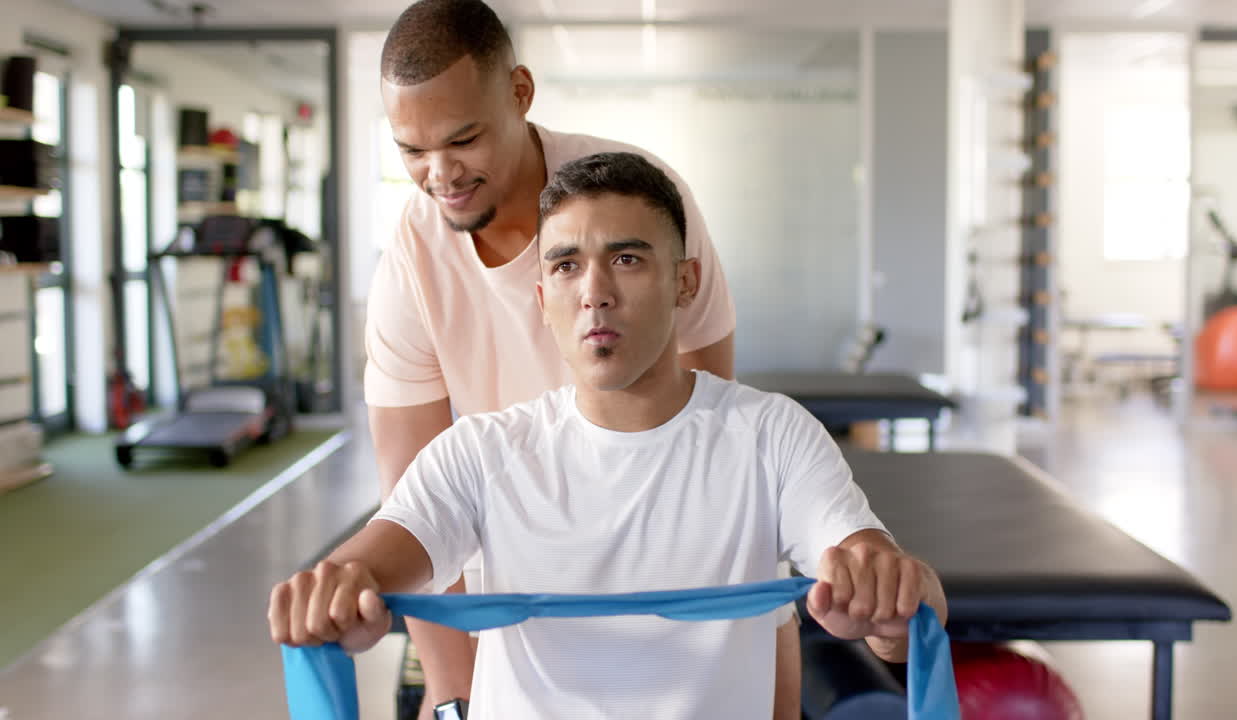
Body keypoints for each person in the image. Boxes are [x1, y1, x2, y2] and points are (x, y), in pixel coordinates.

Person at [271, 152, 948, 720]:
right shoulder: (482, 453)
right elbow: (377, 558)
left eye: (626, 259)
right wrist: (336, 590)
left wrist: (892, 603)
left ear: (686, 282)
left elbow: (881, 574)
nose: (593, 292)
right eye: (565, 265)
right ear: (543, 301)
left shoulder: (770, 437)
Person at [360, 0, 806, 717]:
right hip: (514, 587)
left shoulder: (640, 204)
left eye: (463, 139)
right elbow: (415, 500)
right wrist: (454, 698)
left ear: (520, 93)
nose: (440, 173)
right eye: (412, 150)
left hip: (680, 582)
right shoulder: (411, 263)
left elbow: (710, 445)